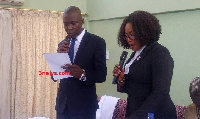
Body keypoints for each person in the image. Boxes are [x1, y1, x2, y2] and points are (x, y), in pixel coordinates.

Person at [112, 11, 177, 119]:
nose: (128, 40)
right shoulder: (135, 54)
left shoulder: (159, 53)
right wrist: (121, 80)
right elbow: (133, 88)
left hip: (156, 113)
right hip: (136, 111)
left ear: (143, 31)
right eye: (126, 36)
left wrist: (137, 116)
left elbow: (160, 92)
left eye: (132, 35)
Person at [52, 6, 107, 119]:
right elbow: (54, 76)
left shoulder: (97, 42)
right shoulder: (62, 44)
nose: (69, 28)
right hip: (63, 106)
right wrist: (58, 57)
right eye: (66, 24)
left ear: (82, 21)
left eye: (73, 23)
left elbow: (102, 75)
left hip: (84, 107)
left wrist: (82, 74)